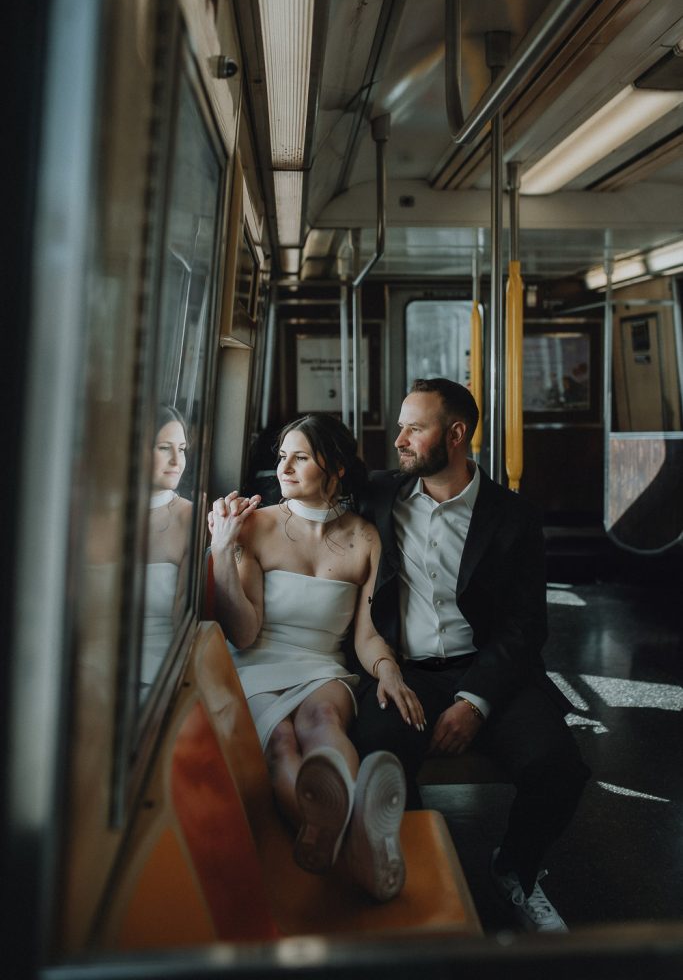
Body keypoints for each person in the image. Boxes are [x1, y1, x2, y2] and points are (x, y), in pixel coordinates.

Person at [349, 378, 591, 932]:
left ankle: (515, 870)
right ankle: (408, 874)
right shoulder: (378, 496)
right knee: (376, 751)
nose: (399, 439)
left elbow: (527, 624)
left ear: (455, 435)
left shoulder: (515, 517)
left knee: (557, 766)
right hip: (403, 670)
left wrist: (475, 701)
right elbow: (302, 491)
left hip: (488, 669)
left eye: (415, 427)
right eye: (401, 424)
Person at [208, 413, 425, 902]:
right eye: (282, 456)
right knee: (282, 743)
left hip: (322, 666)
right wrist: (223, 550)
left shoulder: (364, 538)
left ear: (337, 467)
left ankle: (333, 829)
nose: (284, 467)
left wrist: (389, 672)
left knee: (321, 719)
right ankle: (353, 840)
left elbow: (367, 638)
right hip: (255, 662)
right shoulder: (256, 526)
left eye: (300, 457)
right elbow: (243, 632)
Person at [142, 405, 193, 691]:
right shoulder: (92, 516)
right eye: (164, 448)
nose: (177, 460)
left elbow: (184, 620)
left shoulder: (191, 518)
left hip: (162, 669)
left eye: (182, 449)